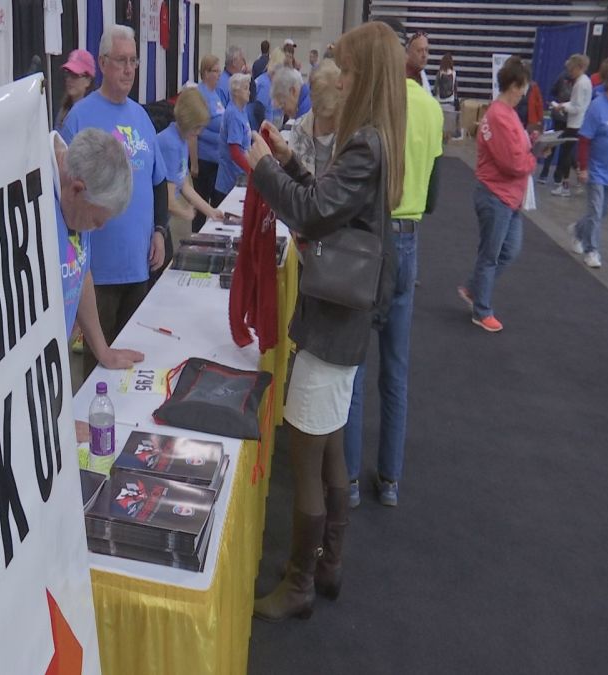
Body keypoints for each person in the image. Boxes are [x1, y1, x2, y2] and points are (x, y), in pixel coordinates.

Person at [247, 20, 406, 622]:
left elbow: (313, 217)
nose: (338, 76)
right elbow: (333, 206)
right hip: (345, 319)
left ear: (361, 75)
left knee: (307, 456)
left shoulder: (363, 142)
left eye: (345, 67)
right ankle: (328, 565)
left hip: (332, 320)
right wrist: (290, 161)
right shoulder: (374, 140)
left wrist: (265, 169)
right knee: (331, 445)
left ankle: (299, 583)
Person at [344, 19, 443, 509]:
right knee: (396, 370)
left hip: (373, 240)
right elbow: (436, 192)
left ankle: (350, 480)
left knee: (357, 365)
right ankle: (390, 479)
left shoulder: (380, 109)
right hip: (411, 238)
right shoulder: (431, 109)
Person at [60, 25, 168, 374]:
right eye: (121, 60)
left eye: (134, 61)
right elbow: (65, 188)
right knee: (99, 369)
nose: (129, 68)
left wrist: (161, 231)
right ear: (103, 63)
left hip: (138, 264)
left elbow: (159, 180)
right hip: (97, 271)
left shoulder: (142, 118)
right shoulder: (80, 116)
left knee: (137, 359)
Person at [50, 128, 145, 369]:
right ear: (76, 190)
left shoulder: (75, 202)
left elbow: (81, 271)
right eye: (96, 219)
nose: (99, 228)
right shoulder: (33, 195)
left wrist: (102, 349)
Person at [458, 58, 537, 333]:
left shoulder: (504, 113)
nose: (524, 92)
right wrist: (533, 158)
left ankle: (474, 289)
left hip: (506, 196)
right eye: (523, 87)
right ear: (514, 85)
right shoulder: (500, 115)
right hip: (497, 194)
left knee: (507, 251)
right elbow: (513, 164)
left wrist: (530, 150)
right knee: (491, 254)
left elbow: (516, 154)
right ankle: (481, 309)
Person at [157, 88, 225, 224]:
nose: (199, 133)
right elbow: (168, 201)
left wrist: (210, 211)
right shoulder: (171, 144)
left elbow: (183, 184)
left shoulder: (181, 139)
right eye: (197, 127)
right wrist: (185, 213)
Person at [568, 58, 608, 269]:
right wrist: (583, 167)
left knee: (602, 211)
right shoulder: (597, 107)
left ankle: (578, 230)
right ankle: (591, 250)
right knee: (595, 211)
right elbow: (585, 139)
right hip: (596, 169)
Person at [288, 59, 340, 177]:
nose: (333, 123)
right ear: (315, 109)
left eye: (335, 115)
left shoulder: (351, 134)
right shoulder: (299, 129)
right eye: (327, 117)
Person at [192, 54, 226, 231]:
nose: (219, 74)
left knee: (215, 204)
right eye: (215, 71)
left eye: (220, 71)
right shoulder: (200, 94)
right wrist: (195, 163)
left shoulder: (216, 94)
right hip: (204, 160)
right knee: (201, 207)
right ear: (205, 73)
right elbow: (195, 130)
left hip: (217, 160)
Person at [550, 54, 591, 198]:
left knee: (566, 154)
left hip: (574, 123)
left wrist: (562, 107)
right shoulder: (585, 81)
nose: (570, 73)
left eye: (572, 70)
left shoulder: (580, 84)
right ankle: (572, 177)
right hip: (577, 122)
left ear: (579, 68)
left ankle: (565, 185)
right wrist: (565, 106)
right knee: (568, 153)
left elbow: (577, 107)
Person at [212, 73, 252, 205]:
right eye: (245, 88)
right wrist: (252, 172)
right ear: (236, 92)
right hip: (229, 181)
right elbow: (235, 152)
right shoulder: (233, 114)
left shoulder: (241, 110)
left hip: (238, 176)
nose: (249, 92)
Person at [537, 68, 574, 184]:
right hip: (570, 118)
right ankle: (558, 177)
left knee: (552, 143)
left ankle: (544, 173)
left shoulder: (561, 75)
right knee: (565, 148)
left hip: (558, 115)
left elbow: (552, 91)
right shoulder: (579, 81)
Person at [55, 49, 96, 130]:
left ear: (88, 80)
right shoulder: (64, 111)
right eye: (67, 73)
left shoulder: (95, 113)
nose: (69, 79)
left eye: (75, 75)